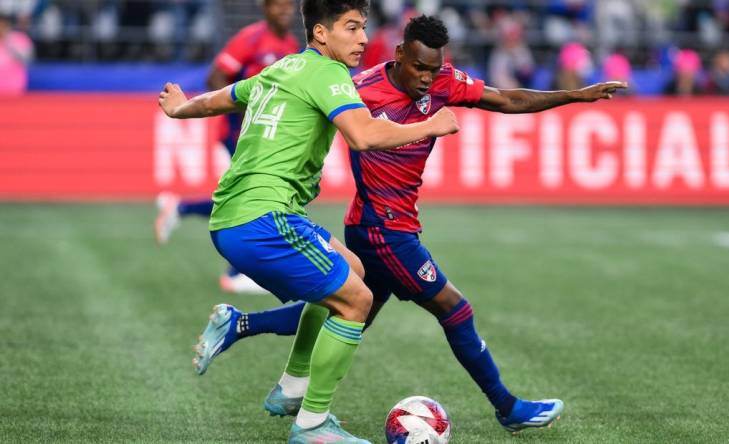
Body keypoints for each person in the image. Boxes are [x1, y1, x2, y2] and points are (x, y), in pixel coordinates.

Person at [195, 15, 626, 434]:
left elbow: (507, 100)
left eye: (433, 68)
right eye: (418, 66)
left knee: (347, 312)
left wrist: (573, 95)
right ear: (400, 54)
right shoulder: (358, 88)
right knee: (455, 310)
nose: (425, 77)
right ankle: (508, 407)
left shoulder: (445, 81)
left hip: (382, 226)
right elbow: (307, 110)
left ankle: (241, 329)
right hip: (383, 231)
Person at [158, 1, 459, 442]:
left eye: (364, 28)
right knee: (356, 302)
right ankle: (312, 425)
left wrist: (182, 108)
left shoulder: (282, 69)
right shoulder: (328, 74)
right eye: (352, 28)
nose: (362, 39)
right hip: (263, 218)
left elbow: (224, 97)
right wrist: (430, 125)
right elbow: (364, 135)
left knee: (353, 272)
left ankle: (292, 388)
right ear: (321, 33)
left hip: (241, 216)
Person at [155, 0, 299, 294]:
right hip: (239, 131)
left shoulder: (291, 44)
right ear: (266, 8)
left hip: (268, 134)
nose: (285, 11)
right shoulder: (250, 38)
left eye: (289, 6)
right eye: (279, 5)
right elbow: (216, 76)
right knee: (253, 196)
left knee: (248, 196)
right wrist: (242, 112)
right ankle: (236, 273)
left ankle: (180, 208)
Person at [0, 11, 33, 96]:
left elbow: (26, 60)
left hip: (14, 86)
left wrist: (7, 40)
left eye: (3, 25)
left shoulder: (20, 38)